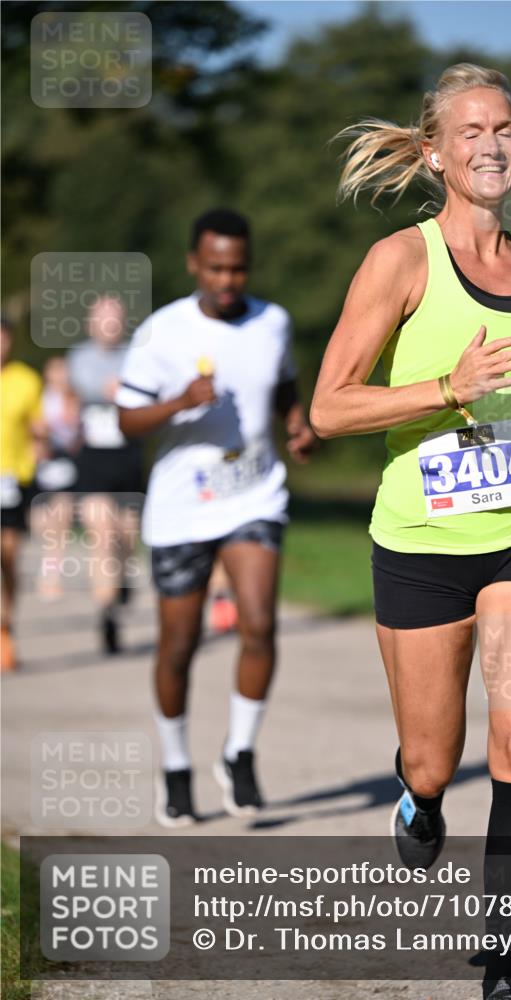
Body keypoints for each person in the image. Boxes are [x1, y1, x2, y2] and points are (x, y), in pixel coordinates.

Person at [310, 64, 511, 1000]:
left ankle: (502, 966)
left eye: (507, 128)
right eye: (473, 130)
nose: (493, 144)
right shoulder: (399, 263)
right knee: (432, 755)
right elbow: (329, 407)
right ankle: (419, 798)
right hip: (421, 543)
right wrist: (446, 387)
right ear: (437, 152)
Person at [116, 208, 315, 827]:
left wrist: (296, 422)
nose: (228, 279)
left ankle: (239, 753)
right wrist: (180, 403)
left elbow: (283, 383)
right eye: (216, 267)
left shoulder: (272, 321)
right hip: (181, 508)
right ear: (194, 264)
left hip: (255, 495)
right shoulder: (160, 333)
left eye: (238, 268)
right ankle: (176, 766)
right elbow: (126, 419)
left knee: (258, 624)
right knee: (178, 645)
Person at [67, 296, 144, 654]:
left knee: (126, 539)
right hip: (94, 459)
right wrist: (118, 390)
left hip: (127, 458)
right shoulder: (80, 357)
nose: (109, 325)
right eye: (103, 318)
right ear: (91, 323)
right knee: (102, 535)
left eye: (115, 318)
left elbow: (143, 391)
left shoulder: (135, 354)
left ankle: (122, 582)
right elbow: (90, 387)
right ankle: (107, 611)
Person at [0, 318, 45, 671]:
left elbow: (39, 428)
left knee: (9, 556)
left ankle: (6, 622)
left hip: (12, 478)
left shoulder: (26, 381)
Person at [31, 356, 81, 600]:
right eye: (56, 371)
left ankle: (51, 575)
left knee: (59, 525)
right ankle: (46, 565)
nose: (61, 376)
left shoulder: (74, 399)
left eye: (64, 371)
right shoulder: (39, 399)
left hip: (65, 464)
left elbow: (80, 434)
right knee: (41, 524)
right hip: (41, 465)